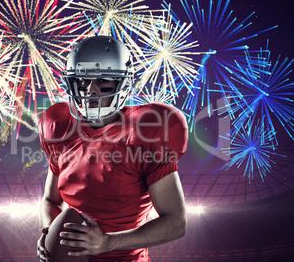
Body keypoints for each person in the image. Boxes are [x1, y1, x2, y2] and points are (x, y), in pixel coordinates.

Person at [37, 36, 188, 261]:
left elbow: (175, 222)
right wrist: (50, 233)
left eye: (103, 82)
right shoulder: (58, 125)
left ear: (123, 84)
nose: (90, 91)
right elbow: (50, 200)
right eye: (82, 81)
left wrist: (108, 243)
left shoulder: (147, 129)